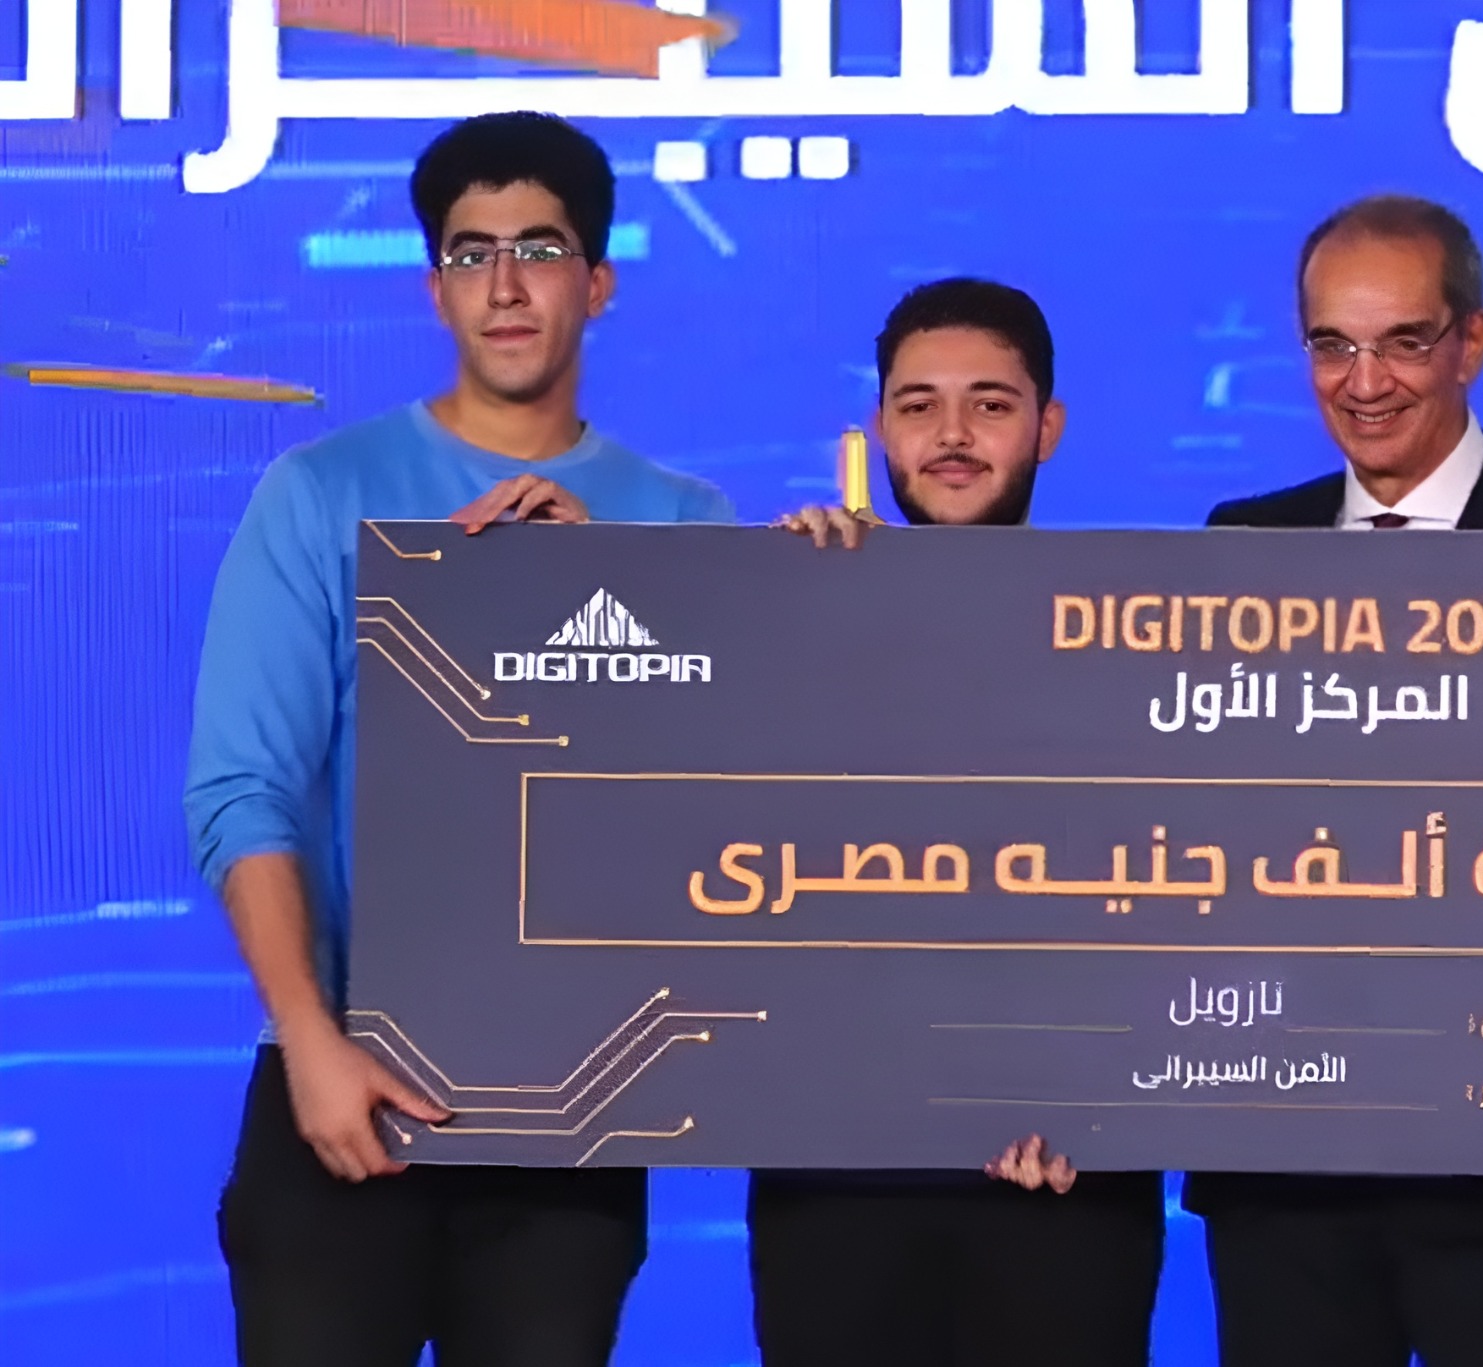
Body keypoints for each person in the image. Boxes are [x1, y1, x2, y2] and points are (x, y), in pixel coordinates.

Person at [185, 112, 735, 1367]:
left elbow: (713, 820)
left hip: (572, 1106)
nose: (505, 284)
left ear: (597, 283)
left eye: (538, 249)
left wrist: (617, 600)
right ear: (435, 288)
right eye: (471, 253)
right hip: (340, 1083)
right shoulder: (320, 491)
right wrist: (311, 1040)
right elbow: (241, 788)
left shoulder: (683, 520)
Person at [1192, 195, 1483, 1367]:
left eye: (1402, 341)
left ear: (1472, 340)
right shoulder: (1233, 553)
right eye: (1331, 345)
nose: (1364, 383)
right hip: (1287, 1173)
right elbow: (1188, 842)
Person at [761, 278, 1166, 1367]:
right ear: (879, 428)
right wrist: (763, 600)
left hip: (1066, 1181)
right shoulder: (791, 612)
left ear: (1048, 426)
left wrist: (1109, 1114)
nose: (951, 434)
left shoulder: (1141, 649)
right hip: (834, 1179)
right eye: (918, 405)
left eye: (989, 404)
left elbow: (1183, 906)